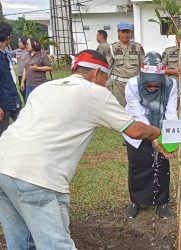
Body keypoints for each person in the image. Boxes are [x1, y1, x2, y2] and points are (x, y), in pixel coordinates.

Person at [0, 49, 163, 250]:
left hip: (3, 164)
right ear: (96, 74)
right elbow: (136, 130)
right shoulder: (95, 93)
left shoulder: (45, 87)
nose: (106, 83)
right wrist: (157, 132)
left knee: (22, 242)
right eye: (106, 78)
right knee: (56, 246)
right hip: (37, 175)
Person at [124, 52, 178, 219]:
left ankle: (162, 201)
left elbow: (171, 112)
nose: (152, 88)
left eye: (156, 85)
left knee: (162, 166)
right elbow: (138, 114)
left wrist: (170, 139)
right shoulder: (132, 85)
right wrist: (152, 137)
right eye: (148, 85)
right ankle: (135, 200)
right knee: (138, 165)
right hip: (137, 131)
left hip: (161, 129)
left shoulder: (171, 85)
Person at [107, 21, 145, 107]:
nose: (125, 34)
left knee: (136, 107)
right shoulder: (112, 48)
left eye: (127, 32)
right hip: (119, 84)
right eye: (123, 32)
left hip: (135, 84)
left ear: (131, 33)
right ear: (118, 32)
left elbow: (143, 66)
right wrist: (108, 84)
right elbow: (108, 67)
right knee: (120, 108)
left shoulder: (138, 47)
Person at [0, 21, 22, 137]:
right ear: (8, 37)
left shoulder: (4, 54)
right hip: (3, 106)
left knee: (24, 126)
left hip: (14, 99)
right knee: (3, 135)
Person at [162, 36, 181, 120]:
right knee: (171, 116)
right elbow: (160, 69)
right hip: (172, 90)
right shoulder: (168, 51)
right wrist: (174, 72)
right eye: (180, 38)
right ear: (176, 39)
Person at [21, 38, 53, 102]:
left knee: (40, 103)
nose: (26, 45)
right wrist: (22, 81)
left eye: (27, 44)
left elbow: (50, 67)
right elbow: (25, 68)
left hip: (39, 84)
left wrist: (38, 68)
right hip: (28, 85)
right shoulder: (27, 55)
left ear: (34, 44)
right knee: (29, 103)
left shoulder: (42, 55)